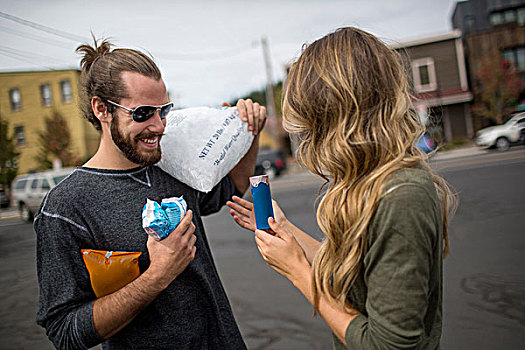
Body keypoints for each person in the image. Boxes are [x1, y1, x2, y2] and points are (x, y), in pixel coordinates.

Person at [227, 27, 457, 349]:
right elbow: (357, 272)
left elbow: (387, 344)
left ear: (335, 115)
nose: (308, 136)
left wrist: (297, 271)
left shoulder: (402, 194)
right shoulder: (367, 180)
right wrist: (286, 232)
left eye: (311, 122)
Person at [35, 38, 265, 349]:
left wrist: (250, 132)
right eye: (143, 113)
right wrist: (157, 276)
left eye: (163, 111)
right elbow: (66, 332)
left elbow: (232, 188)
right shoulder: (66, 206)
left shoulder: (170, 164)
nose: (158, 126)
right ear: (101, 109)